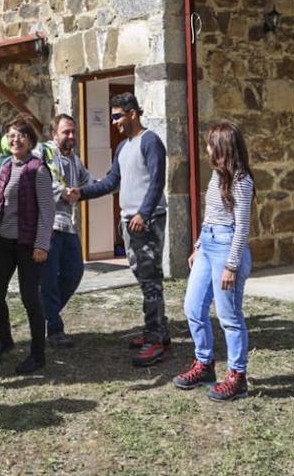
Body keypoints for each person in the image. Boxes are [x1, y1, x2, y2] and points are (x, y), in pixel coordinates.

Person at [68, 92, 169, 367]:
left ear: (132, 113)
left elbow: (157, 182)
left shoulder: (150, 142)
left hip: (147, 222)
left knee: (150, 280)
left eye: (117, 116)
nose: (114, 122)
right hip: (129, 222)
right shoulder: (123, 147)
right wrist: (82, 193)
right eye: (112, 117)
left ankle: (155, 341)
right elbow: (112, 181)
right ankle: (158, 330)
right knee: (143, 277)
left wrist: (143, 214)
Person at [173, 121, 255, 402]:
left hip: (227, 249)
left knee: (229, 317)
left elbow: (242, 227)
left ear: (222, 148)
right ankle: (204, 364)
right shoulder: (217, 176)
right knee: (193, 307)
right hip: (209, 246)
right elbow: (210, 215)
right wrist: (198, 246)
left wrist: (231, 266)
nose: (206, 149)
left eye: (210, 144)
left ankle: (237, 376)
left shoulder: (242, 181)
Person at [0, 116, 55, 374]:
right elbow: (2, 208)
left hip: (28, 245)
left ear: (31, 140)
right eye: (12, 135)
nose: (16, 140)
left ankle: (38, 355)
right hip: (3, 242)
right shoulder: (5, 168)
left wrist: (42, 245)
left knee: (30, 298)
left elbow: (47, 212)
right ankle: (5, 339)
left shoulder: (38, 170)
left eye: (21, 135)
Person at [40, 113, 92, 348]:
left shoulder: (74, 159)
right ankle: (54, 328)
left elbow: (88, 181)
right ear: (54, 134)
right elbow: (34, 179)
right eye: (66, 132)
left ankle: (42, 316)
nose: (71, 136)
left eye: (73, 131)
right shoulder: (42, 153)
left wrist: (110, 183)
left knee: (74, 273)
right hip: (47, 226)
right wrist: (61, 191)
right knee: (49, 280)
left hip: (67, 226)